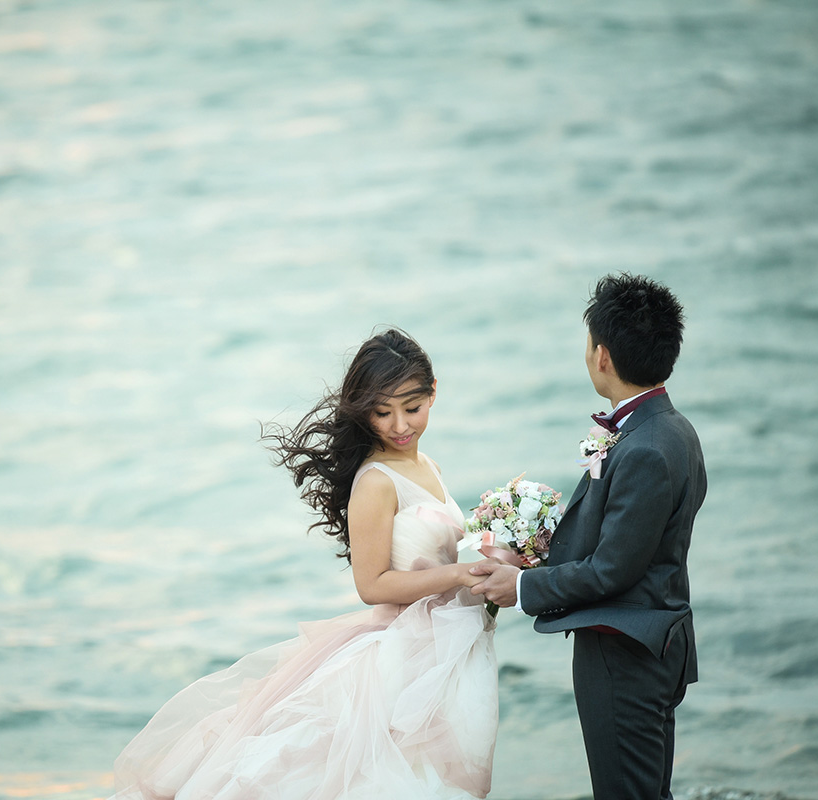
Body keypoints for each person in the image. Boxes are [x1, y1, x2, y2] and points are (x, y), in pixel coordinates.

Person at [109, 329, 498, 800]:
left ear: (433, 392)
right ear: (363, 411)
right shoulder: (376, 481)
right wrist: (459, 574)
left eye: (412, 407)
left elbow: (432, 555)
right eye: (382, 412)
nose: (399, 425)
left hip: (441, 646)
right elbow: (372, 584)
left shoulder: (428, 465)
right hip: (400, 651)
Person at [471, 273, 707, 800]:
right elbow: (632, 541)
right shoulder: (672, 429)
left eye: (587, 344)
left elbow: (613, 569)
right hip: (657, 640)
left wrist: (522, 587)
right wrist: (534, 552)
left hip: (625, 652)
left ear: (601, 355)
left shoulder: (644, 447)